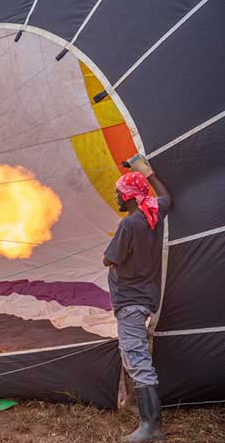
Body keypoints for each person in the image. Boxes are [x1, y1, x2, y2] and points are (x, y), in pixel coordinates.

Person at [103, 154, 171, 443]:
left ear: (129, 196)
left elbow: (110, 259)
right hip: (147, 297)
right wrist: (150, 173)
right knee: (135, 356)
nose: (116, 197)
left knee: (136, 358)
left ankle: (151, 428)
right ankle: (146, 421)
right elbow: (167, 196)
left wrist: (110, 259)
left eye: (119, 192)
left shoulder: (130, 225)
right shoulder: (155, 212)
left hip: (130, 302)